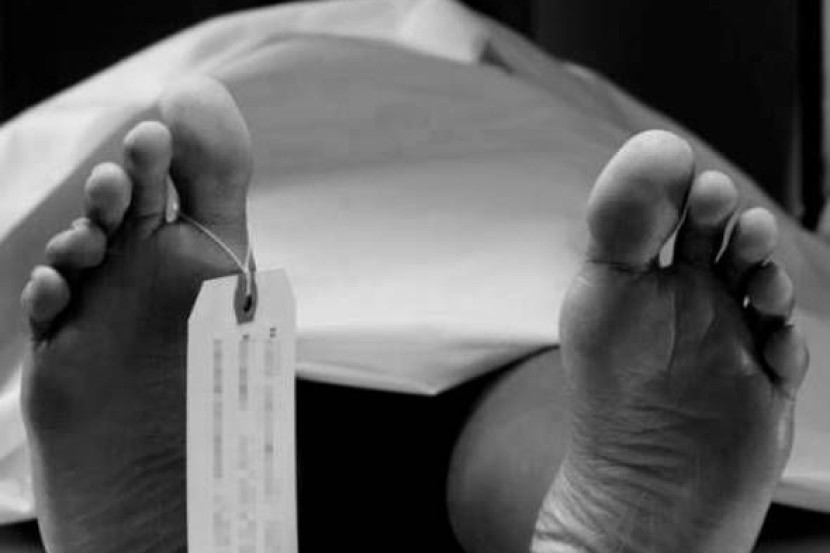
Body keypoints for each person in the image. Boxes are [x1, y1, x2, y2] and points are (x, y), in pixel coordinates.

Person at [17, 75, 809, 553]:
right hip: (518, 294)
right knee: (551, 379)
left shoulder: (249, 54)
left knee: (576, 369)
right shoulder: (499, 67)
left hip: (218, 340)